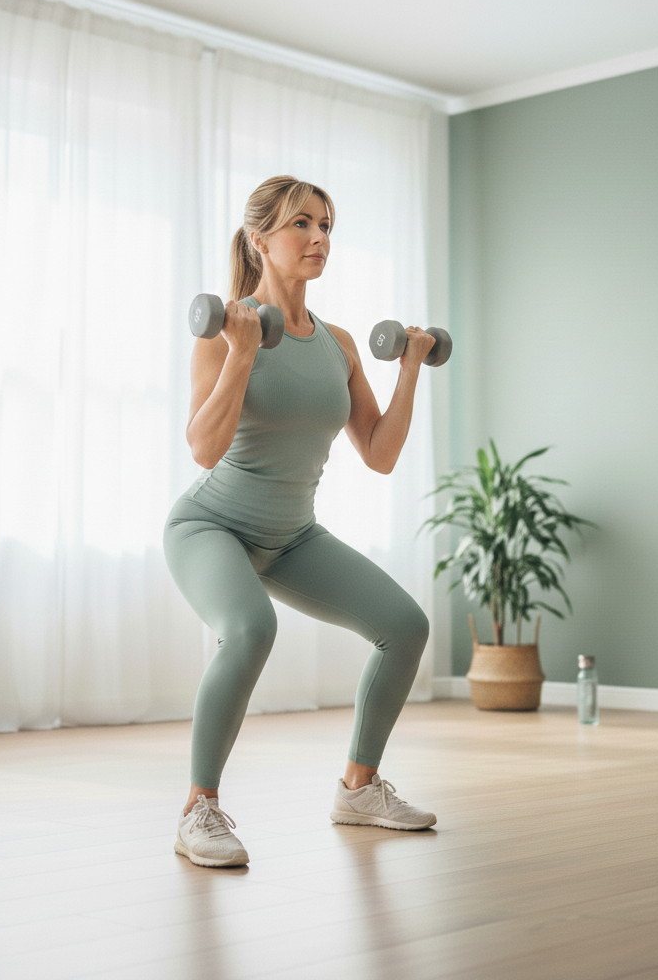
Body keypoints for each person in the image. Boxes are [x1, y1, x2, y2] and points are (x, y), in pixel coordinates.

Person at [164, 175, 436, 868]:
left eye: (326, 226)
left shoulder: (339, 344)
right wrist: (244, 350)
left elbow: (379, 454)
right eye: (302, 224)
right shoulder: (226, 330)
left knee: (405, 626)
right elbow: (203, 448)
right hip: (211, 527)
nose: (319, 238)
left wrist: (410, 367)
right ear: (260, 240)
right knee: (250, 629)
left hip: (292, 536)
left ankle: (359, 789)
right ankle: (198, 810)